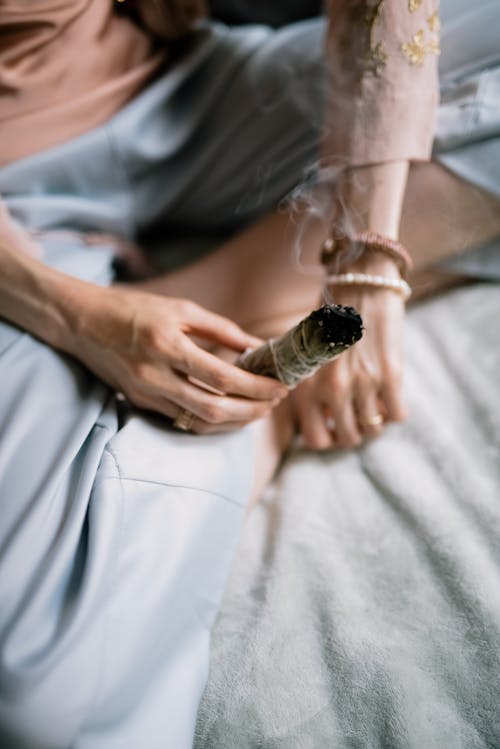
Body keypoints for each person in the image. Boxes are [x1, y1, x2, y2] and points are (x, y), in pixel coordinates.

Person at [0, 1, 499, 746]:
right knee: (42, 695)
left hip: (179, 89)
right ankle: (253, 354)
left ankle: (236, 295)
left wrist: (367, 256)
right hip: (20, 217)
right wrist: (80, 317)